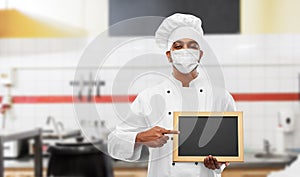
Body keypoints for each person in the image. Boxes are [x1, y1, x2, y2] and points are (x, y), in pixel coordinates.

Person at [108, 13, 236, 177]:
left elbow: (227, 149)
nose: (185, 51)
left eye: (192, 45)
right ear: (169, 55)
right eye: (178, 46)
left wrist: (219, 164)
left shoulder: (221, 97)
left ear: (200, 54)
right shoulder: (148, 97)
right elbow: (114, 143)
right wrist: (141, 137)